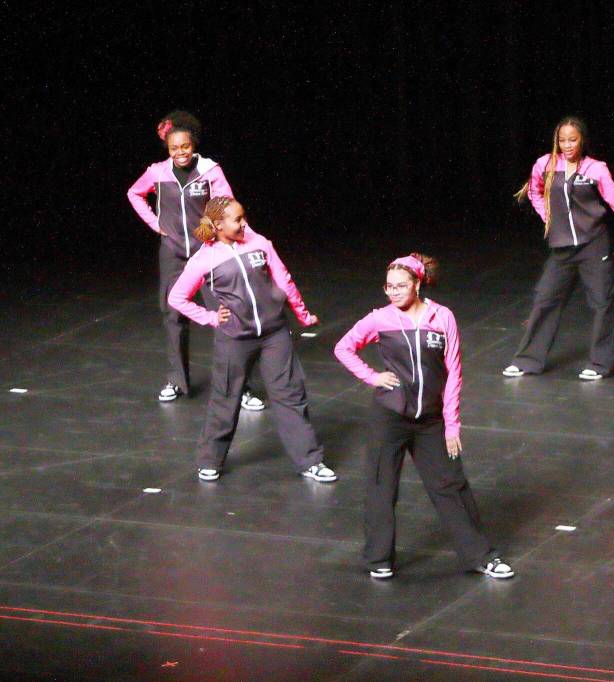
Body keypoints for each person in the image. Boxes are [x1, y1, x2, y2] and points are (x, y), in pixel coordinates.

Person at [335, 254, 513, 580]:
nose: (394, 292)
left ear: (418, 284)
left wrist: (451, 424)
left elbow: (454, 372)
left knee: (451, 485)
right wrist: (373, 377)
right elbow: (343, 347)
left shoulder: (441, 317)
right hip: (389, 416)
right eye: (389, 286)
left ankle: (481, 556)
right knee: (381, 486)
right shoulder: (379, 319)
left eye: (401, 285)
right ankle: (378, 559)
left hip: (431, 420)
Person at [167, 197, 335, 483]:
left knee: (290, 395)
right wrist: (209, 317)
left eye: (244, 217)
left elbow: (284, 280)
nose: (244, 223)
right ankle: (210, 460)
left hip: (275, 334)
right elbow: (177, 297)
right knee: (226, 397)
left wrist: (302, 314)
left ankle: (310, 461)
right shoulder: (205, 259)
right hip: (235, 338)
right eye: (237, 220)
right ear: (219, 225)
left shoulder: (260, 244)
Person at [502, 116, 614, 380]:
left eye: (572, 140)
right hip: (561, 249)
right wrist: (548, 216)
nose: (567, 145)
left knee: (601, 303)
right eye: (562, 140)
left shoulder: (596, 169)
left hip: (594, 245)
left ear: (582, 140)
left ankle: (600, 365)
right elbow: (534, 191)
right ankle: (528, 361)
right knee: (545, 301)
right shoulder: (545, 164)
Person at [127, 111, 264, 410]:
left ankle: (240, 387)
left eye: (185, 147)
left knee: (226, 316)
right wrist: (155, 224)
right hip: (173, 253)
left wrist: (235, 236)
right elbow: (135, 193)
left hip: (209, 254)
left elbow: (227, 206)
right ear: (168, 148)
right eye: (174, 148)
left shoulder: (210, 170)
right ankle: (176, 380)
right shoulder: (157, 172)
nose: (180, 153)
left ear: (193, 145)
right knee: (173, 315)